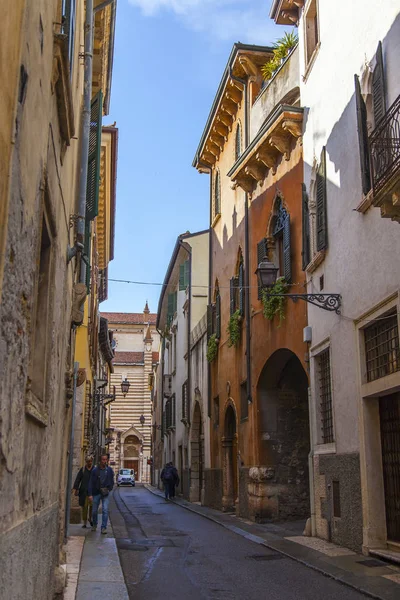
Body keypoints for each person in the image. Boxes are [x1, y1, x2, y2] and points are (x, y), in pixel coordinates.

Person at [88, 454, 114, 534]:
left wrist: (109, 488)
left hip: (105, 493)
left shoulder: (109, 470)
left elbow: (112, 480)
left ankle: (103, 527)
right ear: (100, 460)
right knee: (94, 511)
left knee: (105, 510)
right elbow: (91, 482)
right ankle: (95, 524)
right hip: (96, 493)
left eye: (105, 459)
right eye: (103, 459)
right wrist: (90, 494)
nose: (104, 461)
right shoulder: (95, 470)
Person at [73, 455, 94, 528]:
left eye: (91, 461)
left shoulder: (94, 469)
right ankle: (85, 522)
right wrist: (76, 489)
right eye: (88, 461)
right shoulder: (83, 470)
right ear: (86, 462)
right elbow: (78, 479)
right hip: (84, 491)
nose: (89, 463)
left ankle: (90, 518)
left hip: (92, 492)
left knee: (92, 506)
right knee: (84, 507)